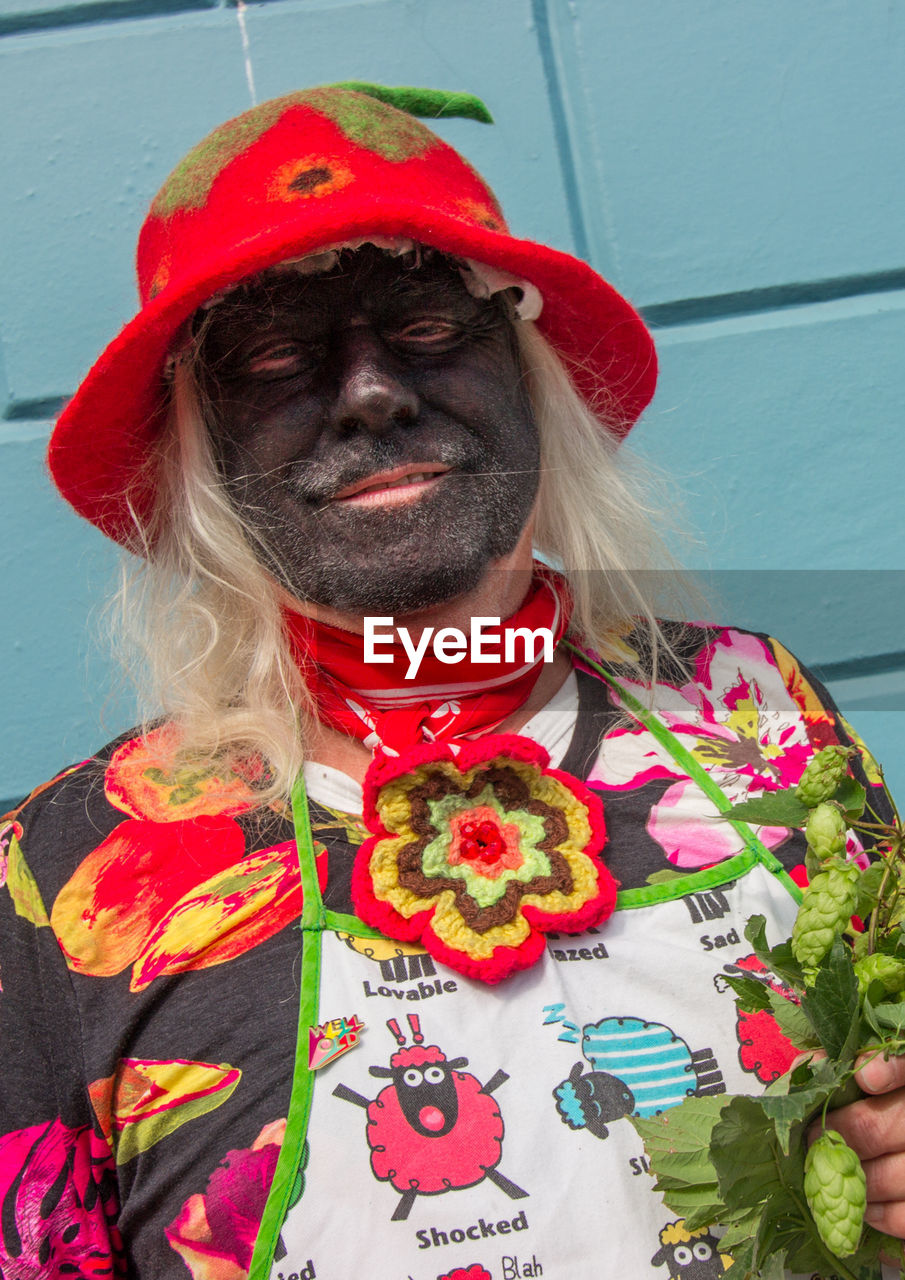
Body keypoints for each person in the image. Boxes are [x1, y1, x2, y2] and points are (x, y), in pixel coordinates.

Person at [1, 82, 902, 1279]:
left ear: (525, 373)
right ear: (197, 448)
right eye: (273, 350)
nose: (371, 390)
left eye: (425, 324)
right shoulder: (65, 879)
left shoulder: (753, 713)